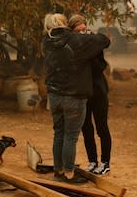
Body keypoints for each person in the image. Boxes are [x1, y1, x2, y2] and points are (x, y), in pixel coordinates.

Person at [42, 13, 110, 183]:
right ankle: (69, 173)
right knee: (71, 136)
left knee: (59, 134)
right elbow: (104, 40)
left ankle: (59, 171)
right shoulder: (75, 41)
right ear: (67, 26)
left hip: (54, 94)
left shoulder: (47, 42)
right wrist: (88, 36)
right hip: (74, 95)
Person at [68, 14, 112, 175]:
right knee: (86, 128)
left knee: (102, 128)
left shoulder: (94, 42)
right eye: (78, 31)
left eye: (84, 29)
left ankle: (105, 162)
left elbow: (101, 64)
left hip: (98, 91)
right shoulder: (71, 47)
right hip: (82, 93)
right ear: (72, 32)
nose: (82, 33)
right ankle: (92, 161)